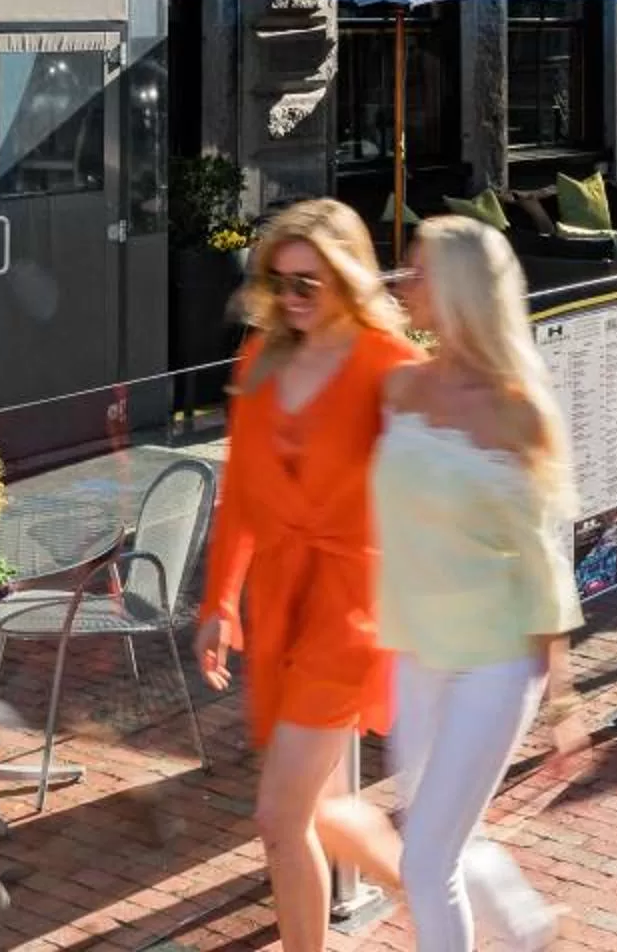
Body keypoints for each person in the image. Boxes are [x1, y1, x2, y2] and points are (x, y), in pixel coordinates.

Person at [347, 214, 587, 950]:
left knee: (426, 859)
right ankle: (524, 927)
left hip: (495, 656)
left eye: (418, 270)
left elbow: (544, 558)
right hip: (415, 650)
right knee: (434, 827)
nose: (405, 281)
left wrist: (562, 694)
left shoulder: (519, 410)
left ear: (455, 289)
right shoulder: (400, 389)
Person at [195, 198, 425, 952]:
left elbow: (447, 476)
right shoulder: (260, 358)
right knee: (322, 813)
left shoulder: (388, 364)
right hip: (281, 606)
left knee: (278, 819)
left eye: (310, 284)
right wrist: (220, 601)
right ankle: (473, 899)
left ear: (349, 280)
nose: (292, 299)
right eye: (281, 281)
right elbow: (242, 499)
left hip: (352, 608)